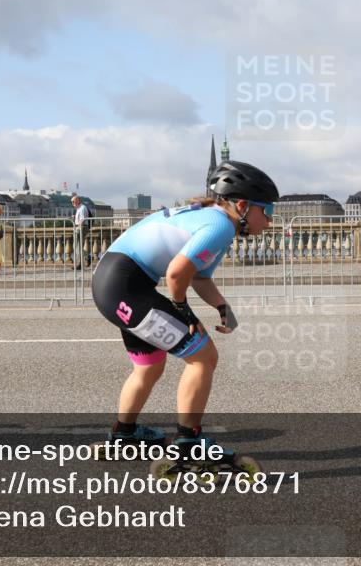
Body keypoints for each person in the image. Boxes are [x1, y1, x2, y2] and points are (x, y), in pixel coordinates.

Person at [91, 161, 278, 457]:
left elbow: (199, 277)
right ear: (242, 205)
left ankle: (123, 435)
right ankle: (188, 442)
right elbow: (177, 275)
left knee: (149, 366)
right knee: (204, 356)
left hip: (117, 282)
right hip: (124, 285)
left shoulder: (214, 219)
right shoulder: (219, 226)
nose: (269, 221)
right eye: (267, 211)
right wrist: (185, 313)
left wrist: (222, 307)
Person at [72, 195, 92, 270]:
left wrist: (78, 229)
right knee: (77, 246)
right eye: (72, 202)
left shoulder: (82, 208)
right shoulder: (79, 208)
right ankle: (80, 263)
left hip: (81, 228)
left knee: (76, 246)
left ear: (78, 201)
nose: (72, 203)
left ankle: (86, 257)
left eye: (73, 201)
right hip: (79, 227)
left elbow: (82, 220)